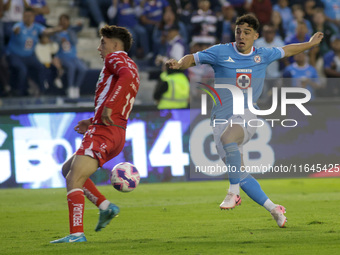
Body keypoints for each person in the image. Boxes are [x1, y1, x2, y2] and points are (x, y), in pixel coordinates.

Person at [166, 14, 323, 228]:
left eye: (247, 33)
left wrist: (310, 44)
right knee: (239, 173)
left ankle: (233, 193)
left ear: (255, 36)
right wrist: (178, 64)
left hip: (248, 113)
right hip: (220, 119)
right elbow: (192, 58)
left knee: (228, 139)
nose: (241, 36)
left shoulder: (262, 55)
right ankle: (274, 209)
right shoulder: (220, 51)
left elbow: (288, 50)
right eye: (238, 31)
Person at [50, 25, 140, 243]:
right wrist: (93, 120)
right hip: (114, 131)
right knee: (68, 169)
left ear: (115, 45)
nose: (99, 48)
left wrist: (108, 106)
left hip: (104, 132)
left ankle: (77, 234)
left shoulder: (115, 59)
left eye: (102, 42)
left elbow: (124, 77)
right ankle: (105, 206)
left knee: (74, 178)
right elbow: (125, 84)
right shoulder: (130, 64)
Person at [53, 14, 87, 98]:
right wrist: (60, 40)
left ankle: (76, 87)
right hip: (62, 56)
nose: (63, 22)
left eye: (65, 20)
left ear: (68, 22)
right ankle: (70, 88)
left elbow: (75, 41)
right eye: (62, 20)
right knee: (71, 67)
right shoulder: (56, 32)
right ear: (59, 21)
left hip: (73, 56)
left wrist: (69, 33)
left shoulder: (71, 31)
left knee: (83, 69)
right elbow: (53, 43)